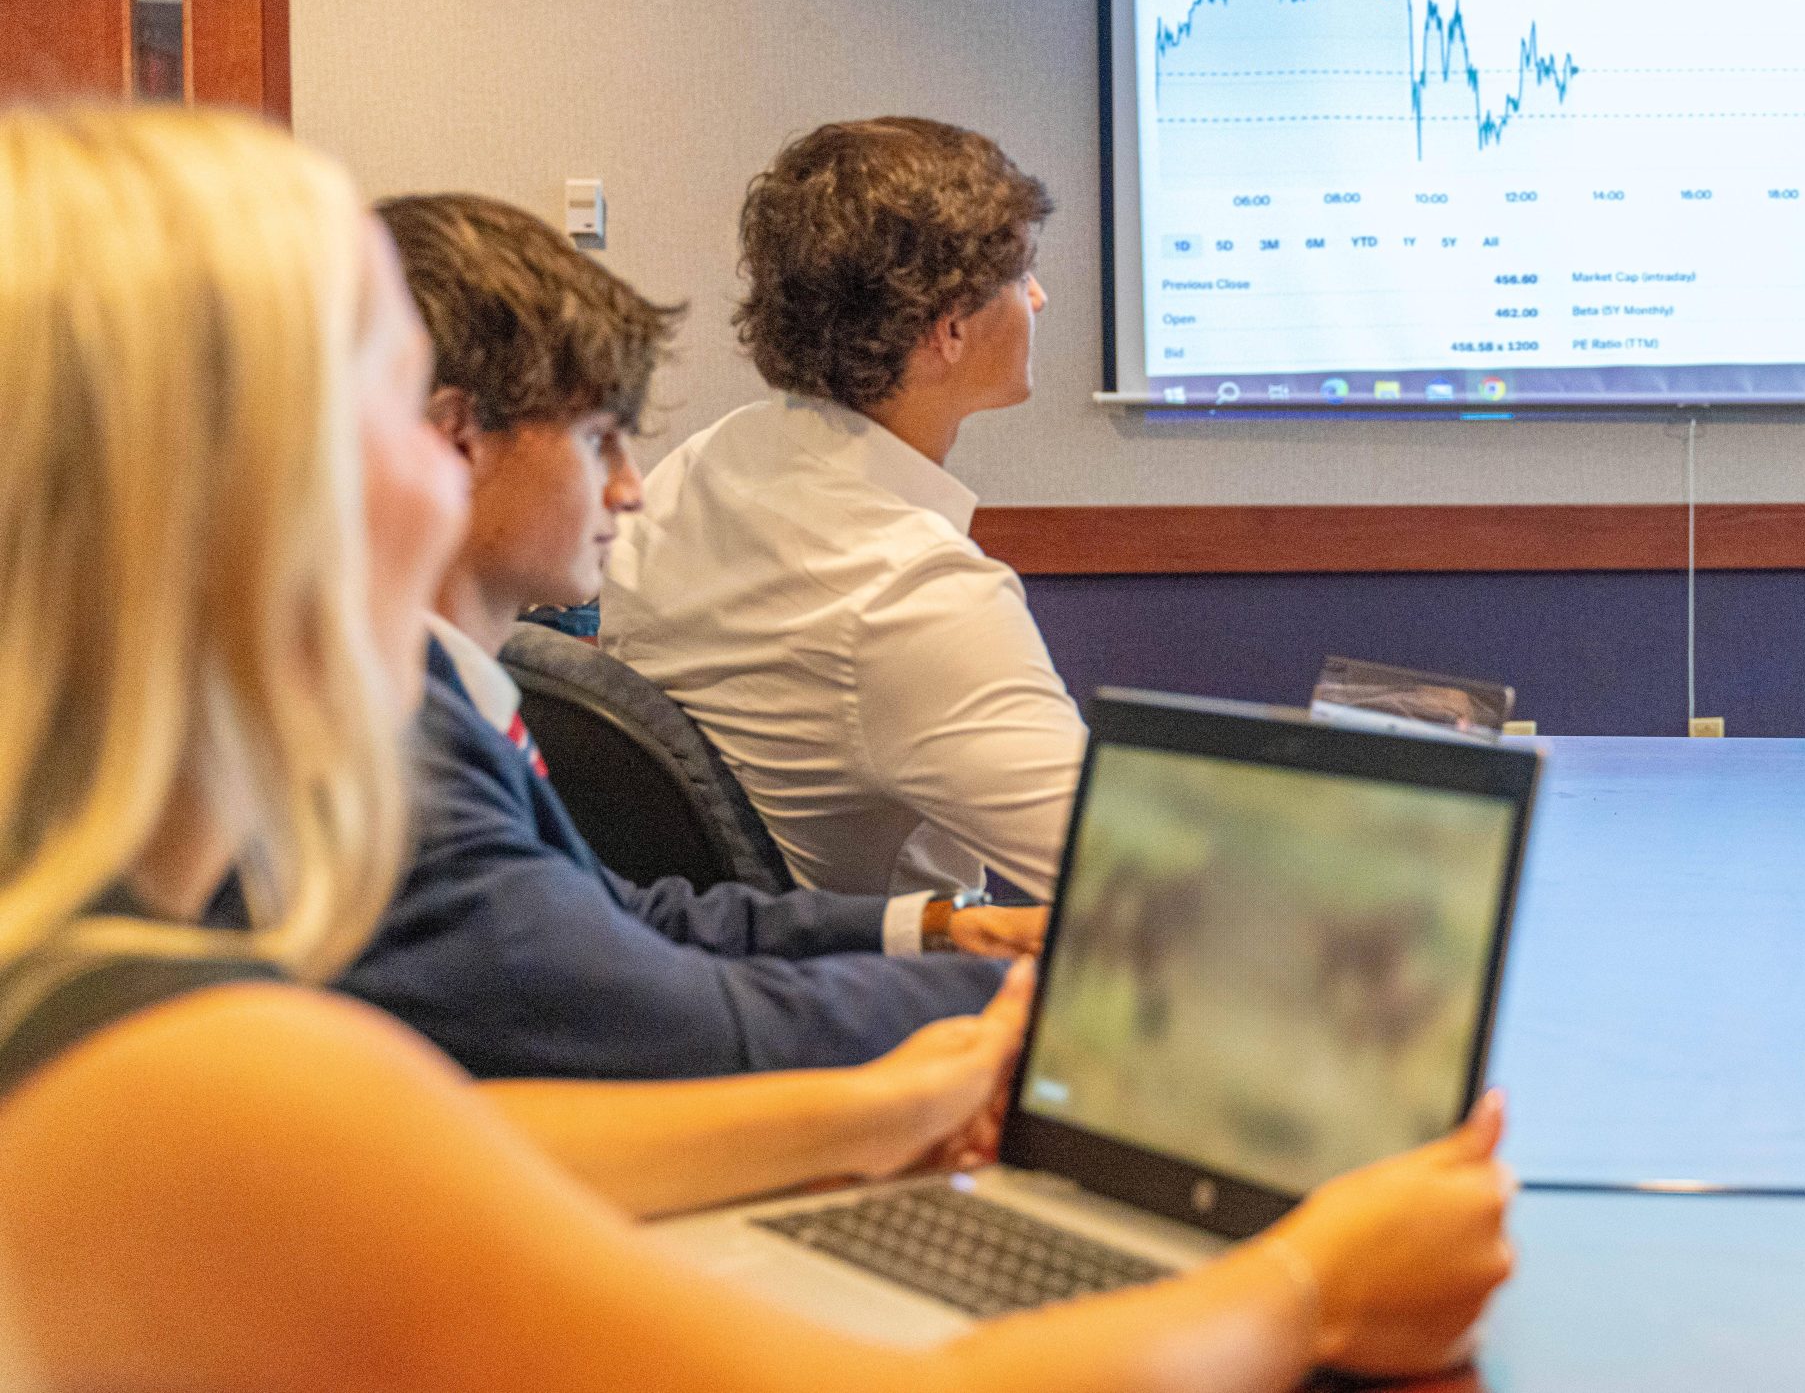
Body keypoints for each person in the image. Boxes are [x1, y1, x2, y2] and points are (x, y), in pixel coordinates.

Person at [0, 105, 1515, 1390]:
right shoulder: (179, 1069)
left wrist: (883, 1099)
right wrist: (1318, 1283)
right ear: (238, 472)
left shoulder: (107, 967)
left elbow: (450, 1148)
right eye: (397, 395)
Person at [328, 192, 1036, 1080]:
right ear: (459, 440)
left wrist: (935, 930)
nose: (630, 488)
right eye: (597, 442)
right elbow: (668, 1017)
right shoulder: (396, 745)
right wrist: (1018, 1001)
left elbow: (617, 915)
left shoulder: (434, 685)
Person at [603, 119, 1084, 899]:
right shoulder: (912, 596)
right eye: (1019, 273)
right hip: (899, 996)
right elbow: (1135, 888)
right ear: (950, 328)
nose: (1038, 296)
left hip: (733, 967)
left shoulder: (697, 469)